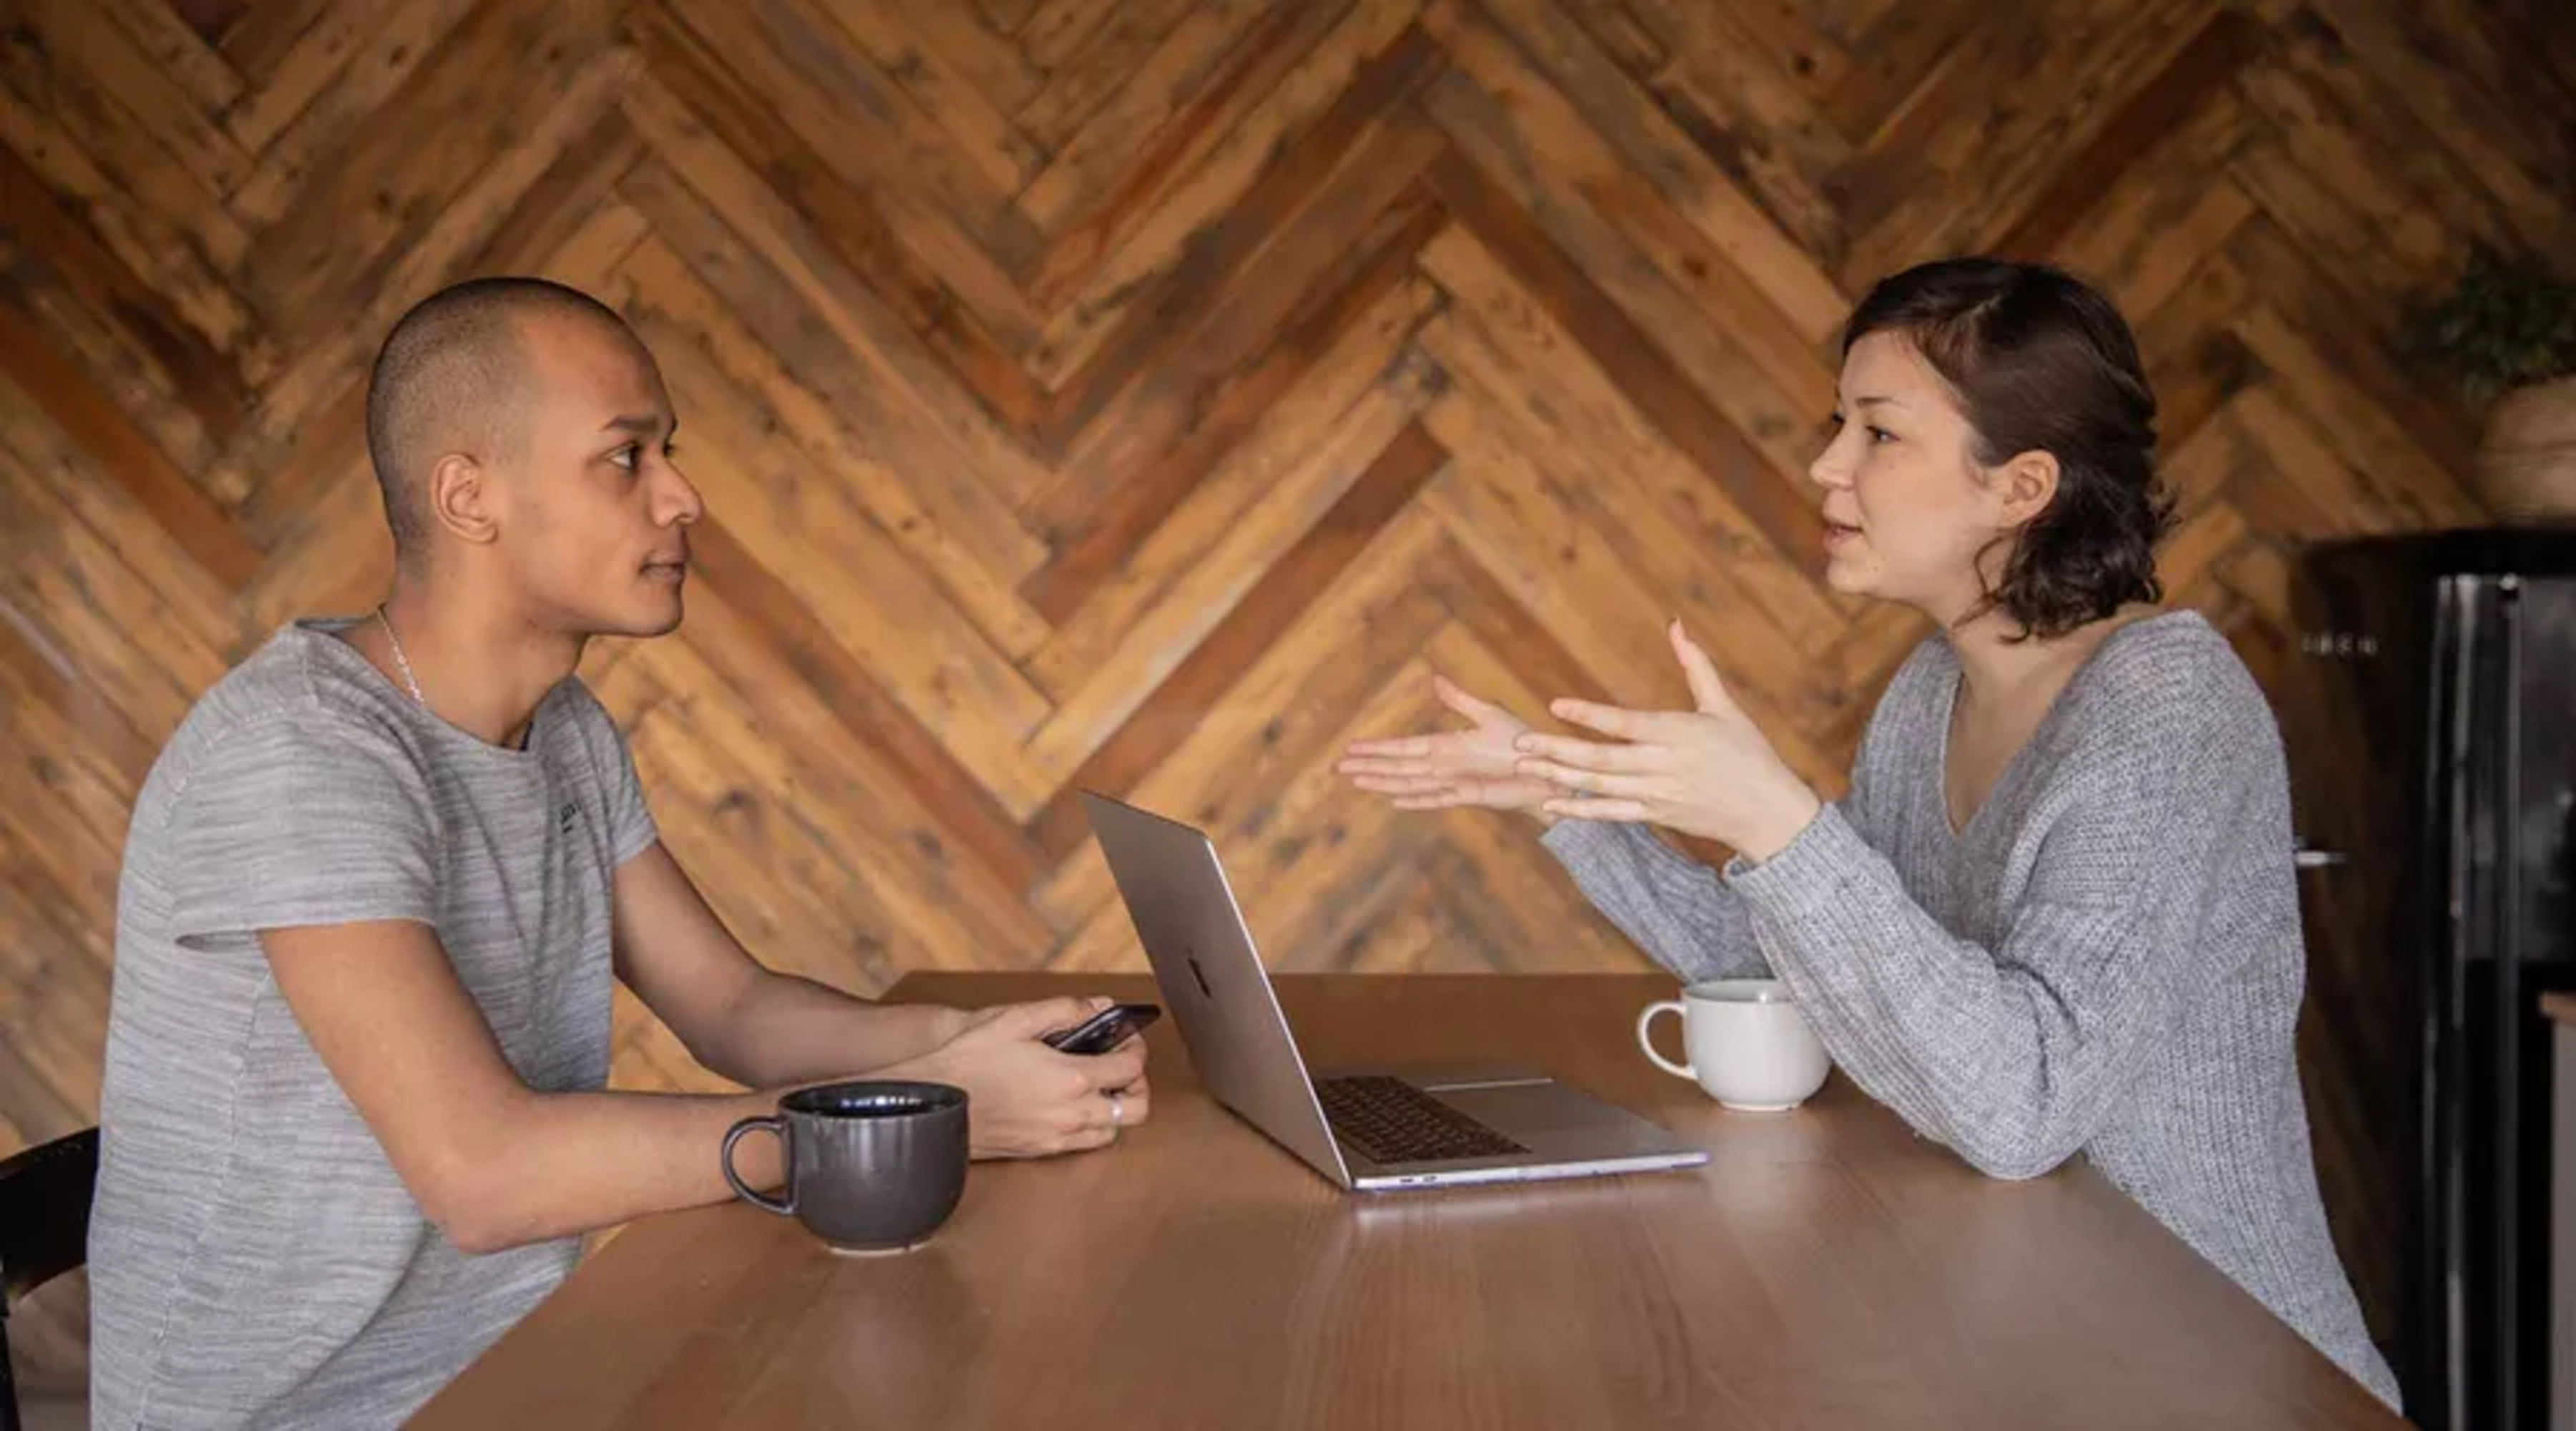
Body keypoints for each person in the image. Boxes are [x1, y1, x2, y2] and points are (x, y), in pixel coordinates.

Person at [84, 276, 1151, 1430]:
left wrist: (969, 1046)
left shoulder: (565, 730)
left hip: (518, 1379)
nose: (683, 498)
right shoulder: (301, 754)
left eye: (669, 454)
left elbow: (732, 1009)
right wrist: (918, 1114)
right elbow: (487, 1177)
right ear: (467, 497)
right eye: (626, 457)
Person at [1340, 257, 2401, 1410]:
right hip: (2026, 1329)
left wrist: (1778, 824)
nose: (1824, 464)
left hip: (2213, 1364)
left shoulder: (2168, 713)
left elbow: (2023, 1109)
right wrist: (1558, 797)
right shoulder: (1928, 695)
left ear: (2021, 485)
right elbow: (1805, 973)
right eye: (1835, 423)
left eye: (1878, 435)